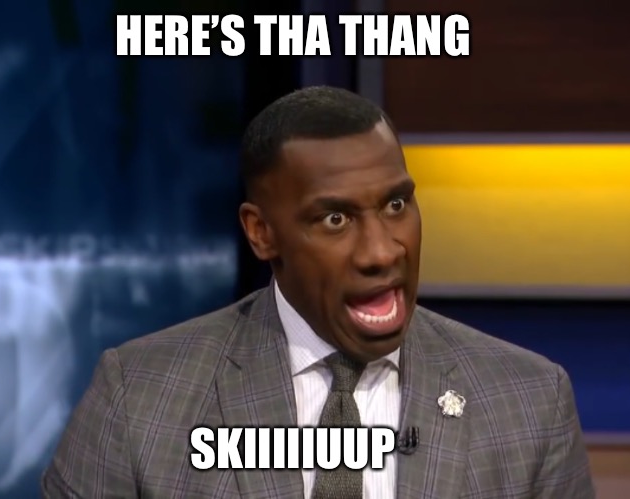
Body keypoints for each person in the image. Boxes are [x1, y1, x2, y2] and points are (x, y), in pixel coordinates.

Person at [41, 86, 596, 498]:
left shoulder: (529, 402)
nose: (382, 252)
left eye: (396, 205)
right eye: (335, 219)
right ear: (261, 232)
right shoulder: (139, 397)